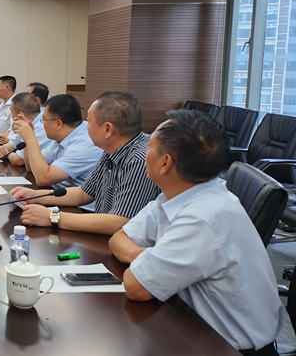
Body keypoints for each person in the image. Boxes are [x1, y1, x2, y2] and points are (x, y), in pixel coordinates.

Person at [109, 109, 282, 355]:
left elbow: (137, 287)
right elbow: (119, 238)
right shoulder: (181, 193)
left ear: (165, 163)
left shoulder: (202, 217)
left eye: (148, 146)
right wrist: (145, 258)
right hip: (194, 326)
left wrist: (148, 264)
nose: (143, 154)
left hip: (229, 348)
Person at [11, 91, 160, 235]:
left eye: (90, 122)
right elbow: (83, 193)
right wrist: (35, 196)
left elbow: (120, 222)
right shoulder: (111, 150)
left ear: (107, 129)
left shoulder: (140, 160)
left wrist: (52, 217)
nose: (85, 126)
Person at [13, 94, 102, 187]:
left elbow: (43, 179)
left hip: (72, 199)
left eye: (43, 120)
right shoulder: (63, 136)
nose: (42, 124)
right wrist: (28, 138)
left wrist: (30, 138)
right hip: (58, 194)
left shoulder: (84, 145)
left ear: (58, 123)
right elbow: (30, 167)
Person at [0, 92, 52, 166]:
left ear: (21, 115)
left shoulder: (42, 128)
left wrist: (6, 155)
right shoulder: (26, 124)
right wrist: (2, 149)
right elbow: (13, 143)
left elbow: (19, 160)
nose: (12, 117)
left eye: (12, 112)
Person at [0, 82, 48, 146]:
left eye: (28, 94)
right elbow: (13, 134)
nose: (25, 96)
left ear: (36, 99)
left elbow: (21, 151)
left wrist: (9, 142)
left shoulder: (42, 121)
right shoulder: (25, 116)